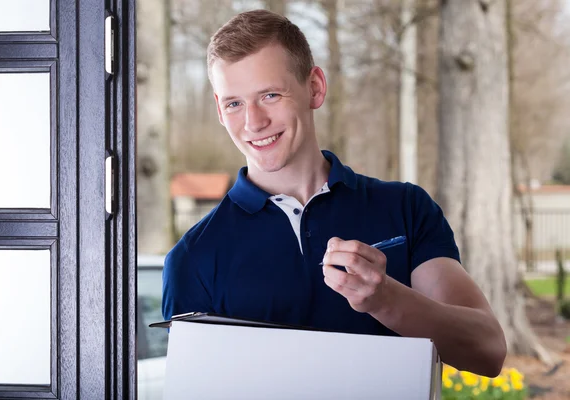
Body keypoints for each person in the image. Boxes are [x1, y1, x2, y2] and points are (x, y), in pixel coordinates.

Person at [162, 9, 506, 377]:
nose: (253, 122)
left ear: (315, 87)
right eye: (234, 103)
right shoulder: (193, 259)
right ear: (219, 109)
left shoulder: (406, 207)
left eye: (270, 95)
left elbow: (488, 352)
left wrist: (386, 299)